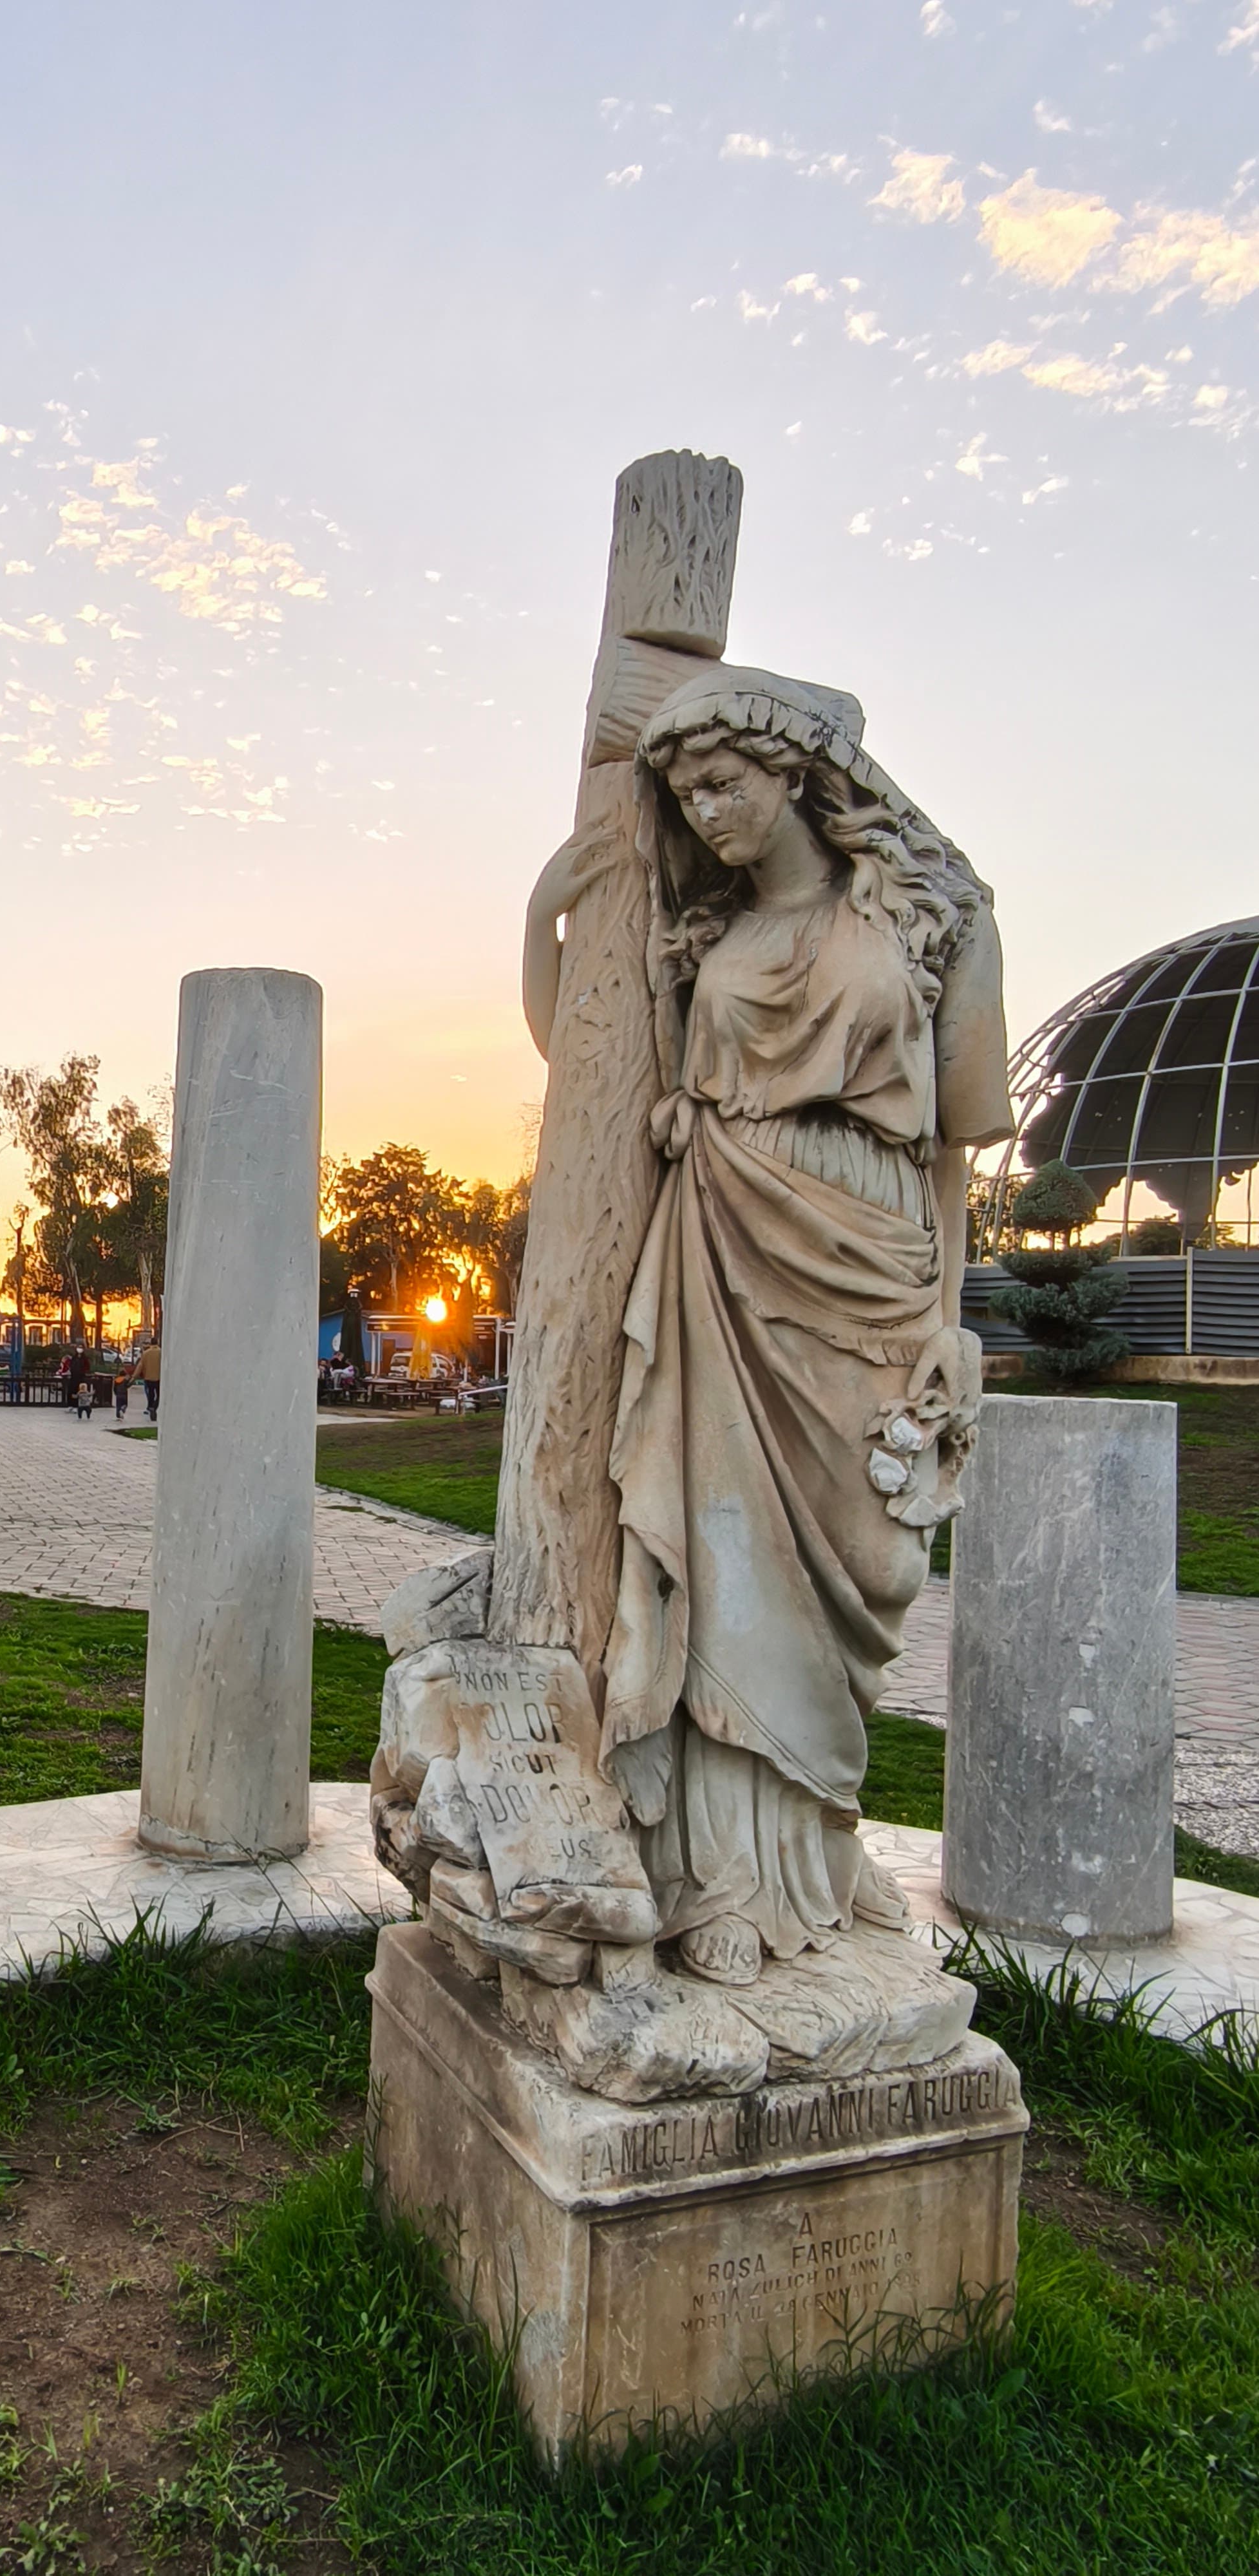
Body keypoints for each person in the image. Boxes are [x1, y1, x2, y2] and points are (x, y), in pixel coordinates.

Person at [589, 668, 1013, 1987]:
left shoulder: (930, 915)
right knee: (730, 1555)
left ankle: (822, 1854)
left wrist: (952, 1312)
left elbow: (951, 1140)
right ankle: (723, 1874)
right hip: (733, 1243)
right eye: (685, 793)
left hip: (878, 1254)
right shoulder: (705, 947)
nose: (706, 811)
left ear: (795, 775)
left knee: (869, 1566)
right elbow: (618, 1088)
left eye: (725, 782)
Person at [133, 1336, 161, 1419]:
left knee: (151, 1394)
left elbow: (140, 1366)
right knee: (159, 1395)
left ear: (150, 1344)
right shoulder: (161, 1352)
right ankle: (155, 1407)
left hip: (148, 1377)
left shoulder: (146, 1353)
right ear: (158, 1343)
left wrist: (134, 1377)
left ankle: (151, 1407)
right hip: (159, 1378)